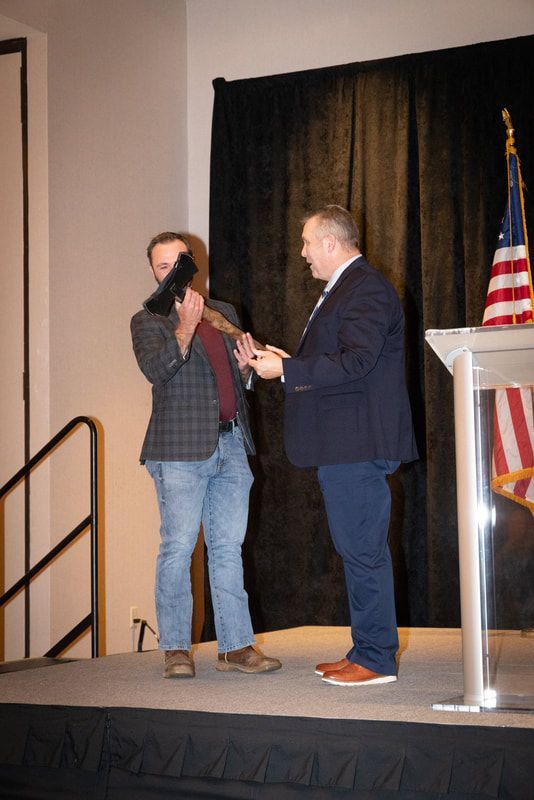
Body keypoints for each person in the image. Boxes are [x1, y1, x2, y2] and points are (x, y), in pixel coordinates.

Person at [243, 205, 418, 686]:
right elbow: (339, 361)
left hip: (356, 444)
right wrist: (286, 362)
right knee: (357, 549)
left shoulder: (365, 287)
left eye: (305, 243)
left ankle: (377, 659)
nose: (301, 254)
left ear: (330, 242)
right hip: (345, 445)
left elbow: (357, 360)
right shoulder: (348, 288)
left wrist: (290, 370)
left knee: (363, 551)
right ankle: (366, 647)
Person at [131, 231, 281, 678]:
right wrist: (185, 326)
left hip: (232, 445)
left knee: (228, 548)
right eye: (163, 266)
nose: (172, 271)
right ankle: (177, 648)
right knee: (178, 548)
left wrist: (243, 370)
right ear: (156, 274)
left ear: (192, 264)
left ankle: (236, 647)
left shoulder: (225, 313)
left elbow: (238, 381)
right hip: (178, 452)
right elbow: (157, 371)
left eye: (179, 261)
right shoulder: (147, 320)